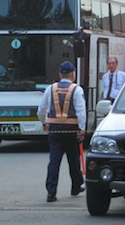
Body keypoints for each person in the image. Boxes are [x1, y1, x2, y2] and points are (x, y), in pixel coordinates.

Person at [37, 61, 87, 202]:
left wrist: (44, 122)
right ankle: (76, 186)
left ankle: (51, 193)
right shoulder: (76, 89)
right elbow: (81, 111)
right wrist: (82, 129)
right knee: (73, 159)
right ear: (73, 74)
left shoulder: (50, 89)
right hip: (71, 130)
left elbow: (41, 110)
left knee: (54, 161)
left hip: (54, 130)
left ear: (60, 74)